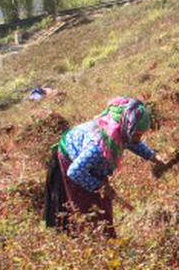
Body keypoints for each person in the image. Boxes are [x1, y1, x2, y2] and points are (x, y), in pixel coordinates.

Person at [44, 96, 166, 236]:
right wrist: (100, 186)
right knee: (86, 204)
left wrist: (153, 157)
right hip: (72, 160)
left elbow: (132, 142)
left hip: (89, 163)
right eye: (138, 134)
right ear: (126, 128)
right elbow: (75, 171)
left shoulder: (121, 131)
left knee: (103, 202)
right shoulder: (98, 146)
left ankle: (107, 236)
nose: (139, 138)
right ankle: (91, 239)